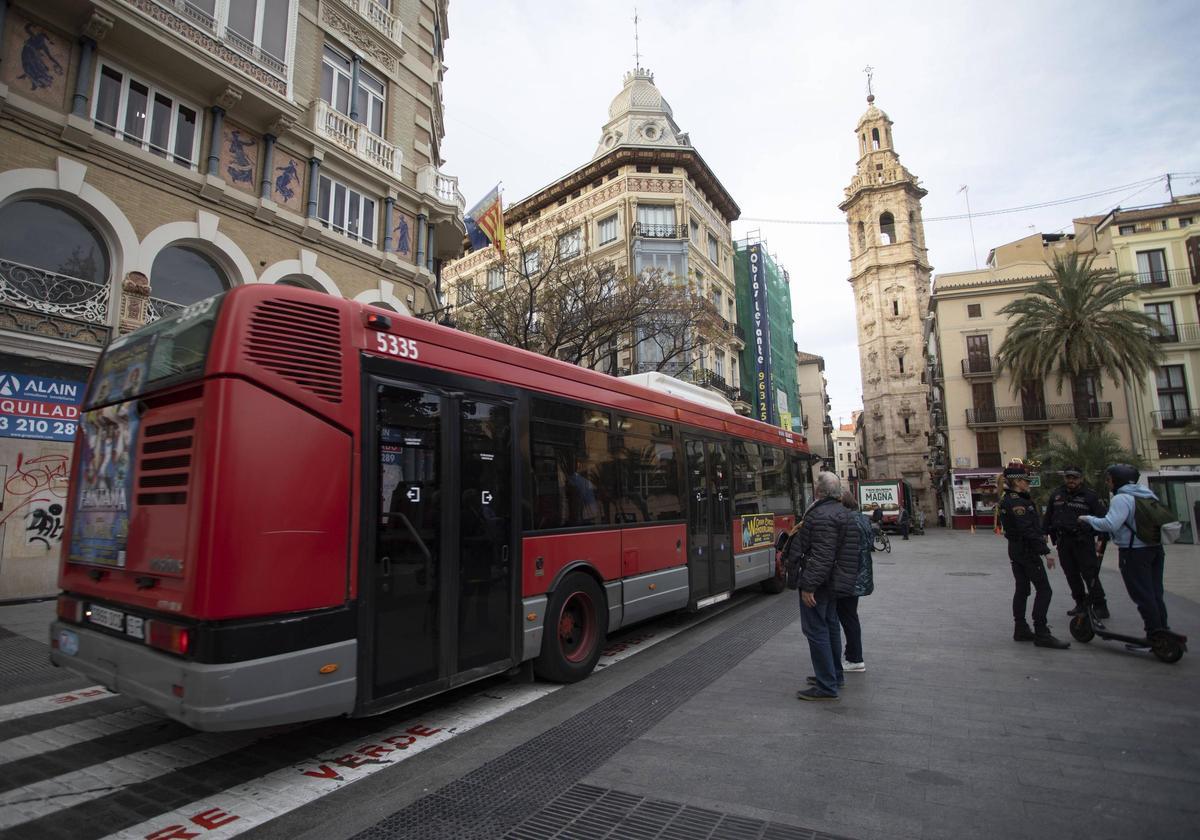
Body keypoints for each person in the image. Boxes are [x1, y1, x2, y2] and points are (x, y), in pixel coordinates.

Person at [784, 472, 861, 700]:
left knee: (816, 630)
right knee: (830, 626)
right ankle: (834, 675)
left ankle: (827, 684)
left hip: (820, 583)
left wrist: (808, 586)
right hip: (836, 581)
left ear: (819, 491)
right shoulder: (844, 513)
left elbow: (822, 556)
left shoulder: (821, 516)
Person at [1078, 464, 1173, 642]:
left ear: (1118, 480)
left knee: (1142, 594)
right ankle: (1162, 630)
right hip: (1154, 548)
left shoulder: (1122, 498)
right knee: (1154, 593)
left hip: (1134, 552)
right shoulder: (1146, 493)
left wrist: (1087, 519)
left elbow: (1111, 524)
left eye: (1109, 479)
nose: (1108, 483)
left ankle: (1154, 634)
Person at [998, 459, 1069, 649]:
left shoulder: (1008, 500)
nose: (1028, 484)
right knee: (1044, 589)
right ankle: (1042, 632)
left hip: (1016, 550)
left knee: (1022, 589)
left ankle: (1020, 628)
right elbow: (1027, 530)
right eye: (1026, 481)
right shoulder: (1017, 503)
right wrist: (1045, 552)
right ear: (1017, 482)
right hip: (1027, 551)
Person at [1042, 465, 1109, 620]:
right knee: (1071, 574)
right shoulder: (1057, 494)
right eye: (1068, 477)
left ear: (1081, 479)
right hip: (1063, 541)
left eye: (1074, 477)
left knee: (1090, 573)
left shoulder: (1090, 496)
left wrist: (1101, 539)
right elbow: (1049, 515)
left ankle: (1100, 605)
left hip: (1083, 541)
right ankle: (1080, 603)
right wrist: (1044, 532)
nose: (1071, 480)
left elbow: (1103, 519)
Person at [838, 491, 875, 673]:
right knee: (850, 616)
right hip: (860, 575)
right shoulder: (863, 519)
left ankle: (855, 658)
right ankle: (852, 655)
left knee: (847, 618)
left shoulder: (847, 521)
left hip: (849, 576)